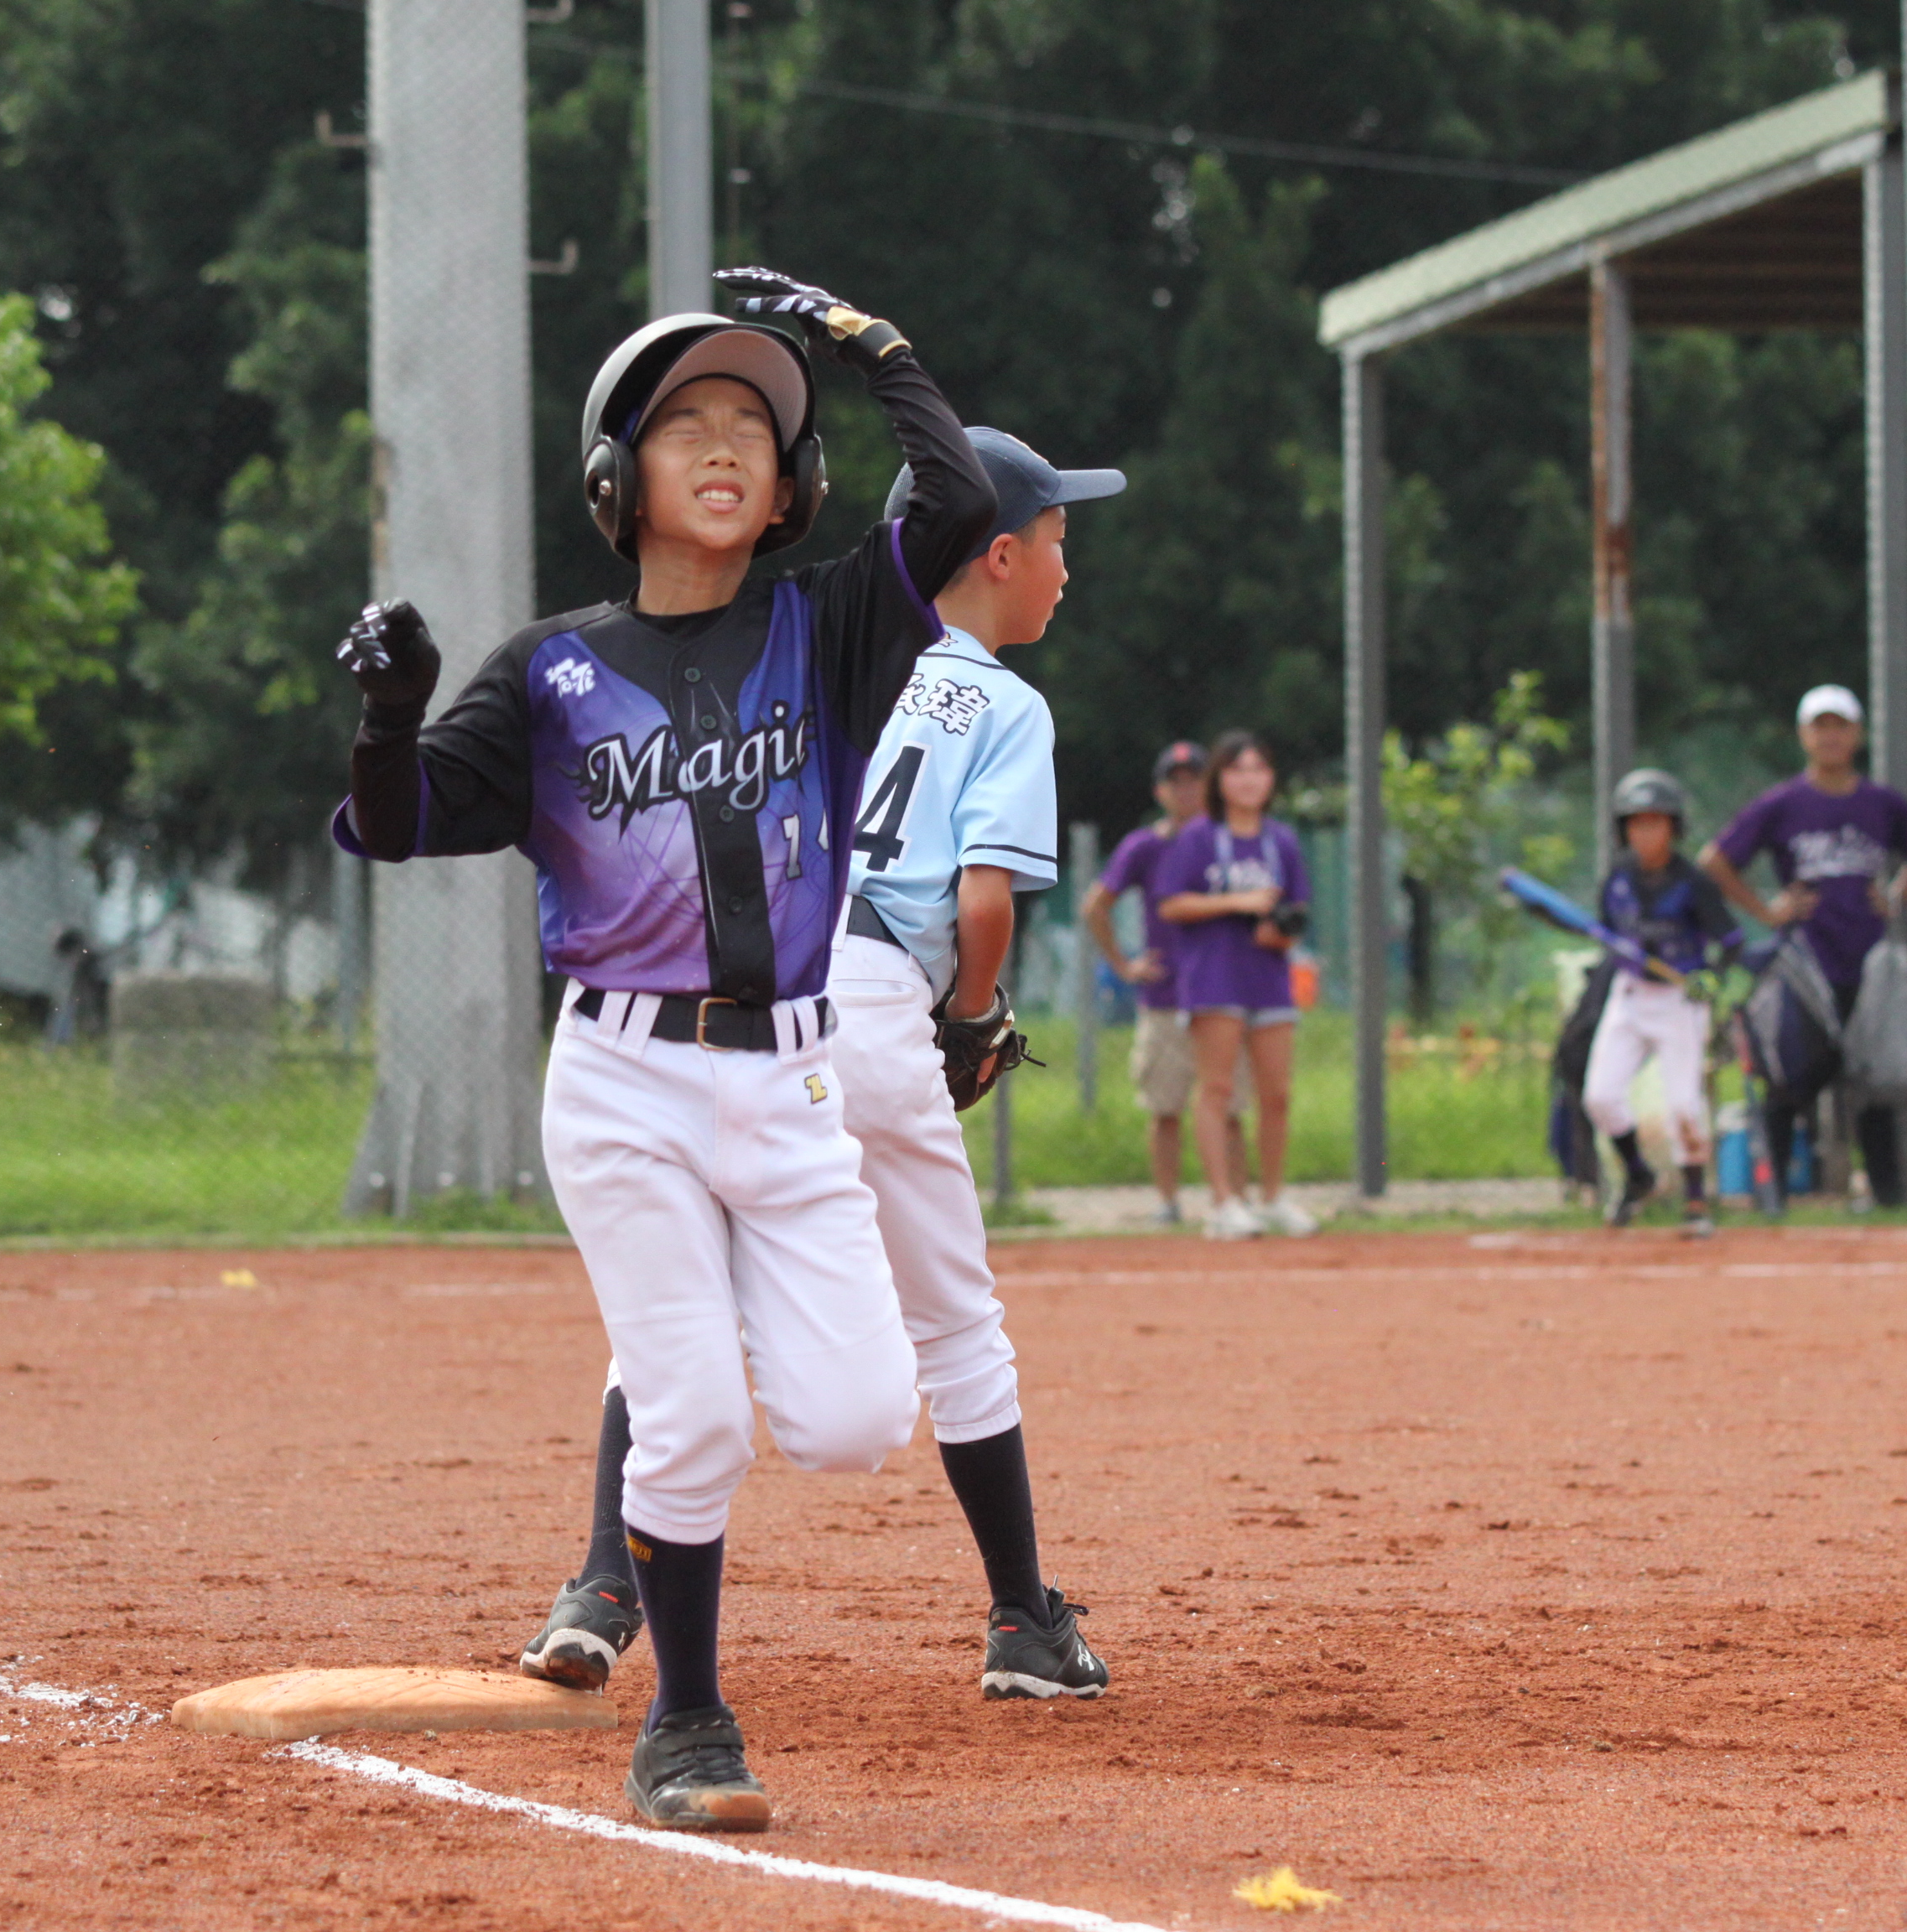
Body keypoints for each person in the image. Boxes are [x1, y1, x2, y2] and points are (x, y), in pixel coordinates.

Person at [332, 269, 994, 1833]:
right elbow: (395, 822)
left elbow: (962, 502)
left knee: (856, 1419)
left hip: (795, 1079)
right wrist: (391, 717)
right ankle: (687, 1722)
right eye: (685, 422)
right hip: (626, 1082)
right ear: (614, 477)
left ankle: (694, 1325)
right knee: (692, 1416)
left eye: (754, 429)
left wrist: (874, 346)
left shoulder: (826, 628)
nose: (723, 445)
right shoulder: (550, 673)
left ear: (794, 484)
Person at [513, 427, 1121, 1714]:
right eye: (1056, 541)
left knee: (680, 1306)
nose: (1067, 568)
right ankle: (1023, 1618)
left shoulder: (815, 661)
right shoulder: (1007, 704)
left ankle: (602, 1589)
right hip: (880, 1003)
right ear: (993, 555)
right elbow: (985, 901)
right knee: (956, 1325)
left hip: (757, 990)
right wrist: (973, 1020)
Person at [1701, 684, 1907, 1208]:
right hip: (1805, 961)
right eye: (1821, 727)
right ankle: (1771, 1195)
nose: (1831, 737)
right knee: (1790, 1077)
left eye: (1840, 727)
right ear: (1804, 736)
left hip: (1868, 960)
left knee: (1874, 1080)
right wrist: (1766, 911)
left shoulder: (1883, 804)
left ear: (1858, 734)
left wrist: (1895, 896)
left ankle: (1888, 1197)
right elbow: (1715, 860)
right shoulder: (1784, 804)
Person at [1157, 730, 1314, 1240]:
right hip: (1214, 976)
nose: (1250, 781)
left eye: (1259, 770)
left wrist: (1281, 932)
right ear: (1220, 779)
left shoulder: (1280, 840)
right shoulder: (1199, 837)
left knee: (1277, 1094)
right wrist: (1235, 903)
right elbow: (1171, 903)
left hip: (1267, 976)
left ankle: (1272, 1197)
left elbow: (1298, 909)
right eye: (1238, 770)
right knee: (1218, 1088)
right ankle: (1223, 1202)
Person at [1083, 742, 1245, 1225]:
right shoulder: (1145, 846)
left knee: (1230, 1106)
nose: (1186, 791)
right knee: (1165, 1105)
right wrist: (1125, 965)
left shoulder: (1229, 840)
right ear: (1161, 792)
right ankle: (1169, 1202)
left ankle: (1235, 1201)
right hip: (1166, 994)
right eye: (1177, 783)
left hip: (1221, 992)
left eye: (1195, 781)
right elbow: (1096, 906)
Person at [1582, 770, 1743, 1235]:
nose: (1646, 833)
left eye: (1656, 823)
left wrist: (1709, 978)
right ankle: (1638, 1176)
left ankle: (1695, 1202)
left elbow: (1731, 942)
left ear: (1673, 828)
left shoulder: (1693, 882)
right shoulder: (1618, 878)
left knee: (1684, 1107)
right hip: (1631, 995)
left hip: (1679, 1001)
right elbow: (1607, 931)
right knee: (1601, 1097)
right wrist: (1621, 952)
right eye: (1636, 824)